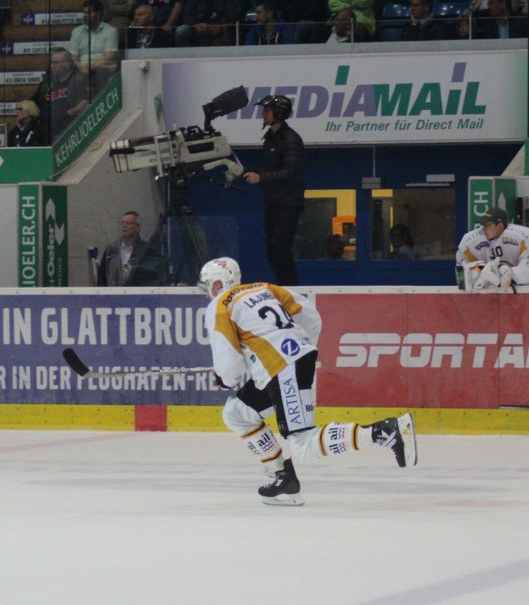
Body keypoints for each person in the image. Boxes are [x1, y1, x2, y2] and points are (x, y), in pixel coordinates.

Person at [199, 256, 416, 506]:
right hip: (285, 363)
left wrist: (225, 379)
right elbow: (309, 316)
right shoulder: (264, 288)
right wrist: (296, 346)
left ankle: (384, 432)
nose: (207, 292)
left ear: (218, 284)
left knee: (303, 444)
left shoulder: (218, 305)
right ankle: (284, 479)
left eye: (207, 285)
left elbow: (229, 365)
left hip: (282, 367)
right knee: (236, 412)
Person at [242, 95, 304, 286]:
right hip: (273, 201)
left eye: (267, 111)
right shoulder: (270, 138)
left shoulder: (291, 139)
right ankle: (283, 285)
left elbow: (290, 172)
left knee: (280, 247)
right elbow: (273, 170)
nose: (263, 114)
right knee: (271, 249)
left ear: (279, 114)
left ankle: (290, 289)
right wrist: (256, 174)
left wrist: (261, 178)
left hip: (288, 203)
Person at [455, 206, 529, 291]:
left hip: (527, 293)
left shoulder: (523, 236)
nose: (483, 228)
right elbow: (462, 275)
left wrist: (510, 274)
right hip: (488, 296)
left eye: (487, 225)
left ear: (500, 226)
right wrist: (479, 275)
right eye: (482, 225)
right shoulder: (469, 241)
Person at [95, 211, 166, 286]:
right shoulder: (111, 249)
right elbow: (102, 278)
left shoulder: (148, 250)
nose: (124, 226)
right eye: (123, 223)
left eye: (129, 223)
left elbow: (155, 277)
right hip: (114, 295)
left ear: (138, 228)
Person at [31, 48, 88, 142]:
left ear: (68, 64)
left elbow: (84, 104)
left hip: (70, 133)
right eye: (51, 63)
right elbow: (33, 103)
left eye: (56, 63)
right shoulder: (47, 84)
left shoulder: (79, 80)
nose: (52, 66)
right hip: (46, 132)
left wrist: (67, 113)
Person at [70, 0, 119, 87]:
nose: (85, 16)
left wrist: (89, 68)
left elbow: (109, 57)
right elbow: (74, 57)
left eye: (88, 13)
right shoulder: (77, 32)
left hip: (103, 69)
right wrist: (82, 69)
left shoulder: (111, 31)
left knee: (98, 74)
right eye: (84, 13)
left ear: (98, 13)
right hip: (82, 69)